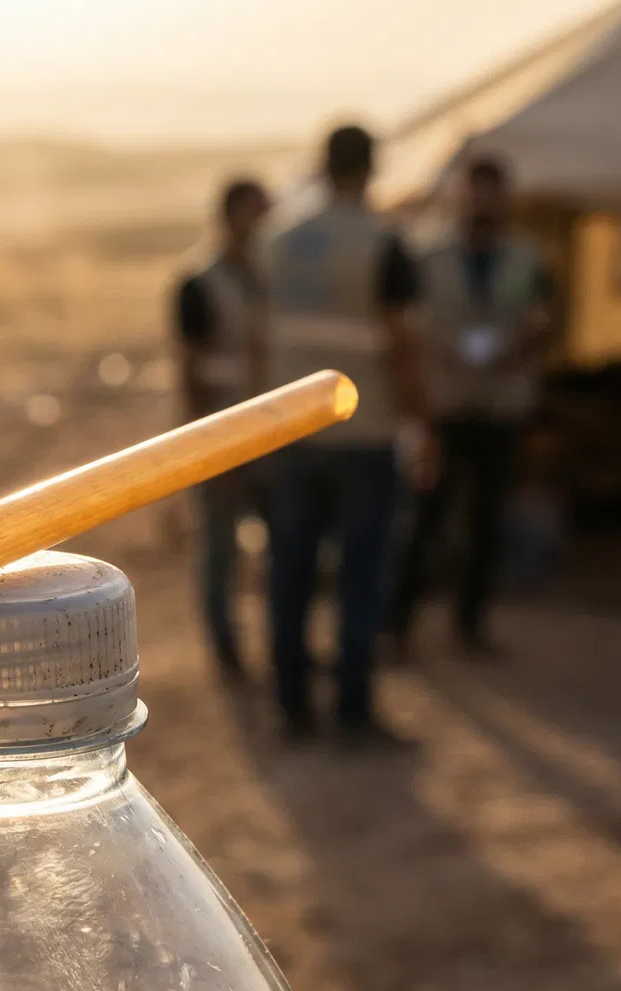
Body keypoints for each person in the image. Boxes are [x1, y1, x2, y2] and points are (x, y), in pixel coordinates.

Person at [260, 125, 437, 746]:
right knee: (360, 578)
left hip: (290, 438)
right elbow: (402, 347)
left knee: (290, 576)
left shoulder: (277, 239)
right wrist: (423, 426)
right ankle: (354, 714)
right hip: (363, 438)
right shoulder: (384, 244)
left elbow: (261, 339)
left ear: (322, 164)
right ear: (372, 168)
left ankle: (290, 708)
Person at [390, 155, 554, 656]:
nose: (482, 202)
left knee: (488, 521)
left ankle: (471, 625)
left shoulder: (527, 260)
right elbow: (408, 325)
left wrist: (519, 348)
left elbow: (542, 320)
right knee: (425, 518)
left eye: (491, 192)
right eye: (474, 191)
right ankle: (398, 626)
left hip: (501, 405)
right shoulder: (429, 258)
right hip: (444, 406)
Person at [173, 178, 273, 679]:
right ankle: (227, 649)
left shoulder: (272, 276)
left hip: (276, 432)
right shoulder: (199, 283)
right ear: (229, 216)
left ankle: (280, 645)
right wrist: (198, 445)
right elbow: (190, 371)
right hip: (221, 433)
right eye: (253, 213)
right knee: (221, 546)